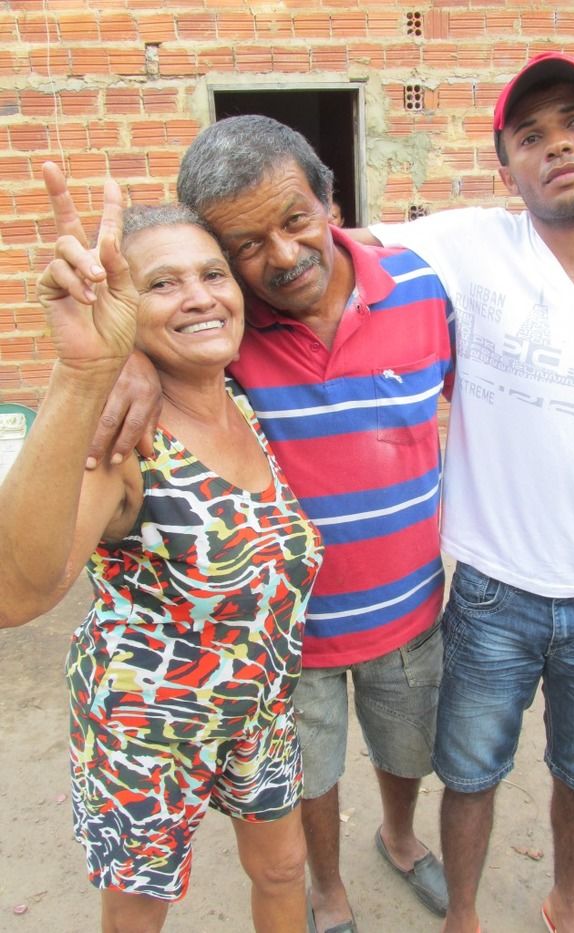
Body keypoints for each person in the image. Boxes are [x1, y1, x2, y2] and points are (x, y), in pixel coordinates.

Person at [83, 115, 454, 933]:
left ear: (332, 201)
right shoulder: (230, 320)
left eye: (294, 220)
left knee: (407, 750)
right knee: (308, 775)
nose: (280, 256)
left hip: (408, 607)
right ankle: (326, 887)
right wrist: (129, 363)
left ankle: (398, 838)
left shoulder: (422, 286)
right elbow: (162, 324)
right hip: (291, 635)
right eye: (246, 244)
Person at [364, 52, 574, 933]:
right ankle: (464, 913)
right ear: (504, 164)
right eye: (530, 135)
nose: (556, 146)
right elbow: (327, 243)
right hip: (489, 591)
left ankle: (567, 902)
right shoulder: (470, 244)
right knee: (470, 770)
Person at [0, 163, 324, 932]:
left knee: (282, 869)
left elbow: (339, 250)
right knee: (142, 912)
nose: (201, 296)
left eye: (213, 272)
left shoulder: (243, 394)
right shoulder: (124, 442)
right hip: (146, 731)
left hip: (259, 709)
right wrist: (86, 373)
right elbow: (14, 594)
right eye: (163, 284)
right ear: (122, 306)